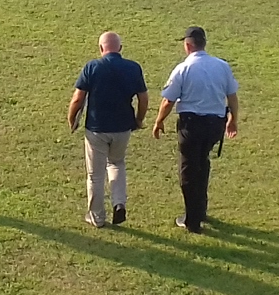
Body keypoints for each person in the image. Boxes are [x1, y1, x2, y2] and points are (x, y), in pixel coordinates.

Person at [152, 26, 238, 234]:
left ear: (188, 45)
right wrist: (233, 120)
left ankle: (192, 220)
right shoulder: (222, 66)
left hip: (191, 125)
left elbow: (168, 100)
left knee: (188, 170)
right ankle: (201, 209)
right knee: (202, 163)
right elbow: (232, 96)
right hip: (215, 124)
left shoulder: (183, 68)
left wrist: (158, 121)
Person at [68, 32, 148, 228]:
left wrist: (72, 118)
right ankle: (119, 202)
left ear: (101, 48)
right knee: (117, 164)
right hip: (122, 128)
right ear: (120, 48)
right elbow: (143, 98)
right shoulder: (133, 67)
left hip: (96, 128)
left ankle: (97, 216)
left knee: (95, 175)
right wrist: (138, 119)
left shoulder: (92, 67)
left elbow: (78, 98)